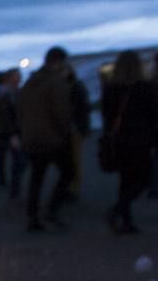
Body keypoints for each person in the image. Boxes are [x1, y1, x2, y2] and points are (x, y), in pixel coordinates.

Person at [15, 46, 74, 232]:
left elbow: (20, 109)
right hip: (52, 137)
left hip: (32, 137)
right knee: (68, 172)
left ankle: (32, 216)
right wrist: (66, 133)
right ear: (59, 62)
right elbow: (61, 111)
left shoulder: (31, 82)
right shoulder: (56, 82)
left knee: (37, 177)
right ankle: (52, 209)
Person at [101, 49, 158, 234]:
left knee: (125, 180)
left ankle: (126, 220)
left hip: (119, 140)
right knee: (144, 179)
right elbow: (153, 115)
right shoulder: (144, 87)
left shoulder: (110, 89)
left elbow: (107, 117)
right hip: (140, 140)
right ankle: (116, 210)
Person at [0, 69, 25, 197]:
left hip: (1, 131)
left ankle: (3, 180)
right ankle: (12, 187)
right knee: (16, 158)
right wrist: (14, 134)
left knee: (2, 156)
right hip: (8, 131)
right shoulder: (9, 95)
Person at [66, 64, 91, 203]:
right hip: (71, 129)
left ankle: (72, 189)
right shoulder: (75, 86)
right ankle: (70, 188)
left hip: (73, 129)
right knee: (71, 160)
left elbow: (82, 108)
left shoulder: (75, 87)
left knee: (74, 160)